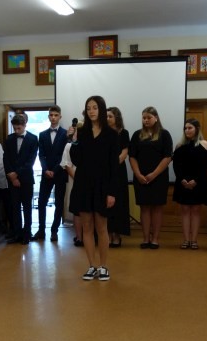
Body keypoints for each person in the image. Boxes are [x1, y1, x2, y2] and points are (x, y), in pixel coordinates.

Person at [69, 95, 119, 281]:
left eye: (95, 107)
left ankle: (104, 266)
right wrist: (74, 140)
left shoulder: (111, 134)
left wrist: (112, 192)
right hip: (84, 184)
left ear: (101, 110)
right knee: (87, 227)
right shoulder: (82, 133)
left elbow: (114, 165)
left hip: (103, 185)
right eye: (88, 108)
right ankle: (92, 266)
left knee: (101, 227)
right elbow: (76, 159)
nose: (91, 111)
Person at [129, 106, 173, 249]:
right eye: (144, 118)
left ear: (156, 118)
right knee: (144, 208)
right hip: (141, 177)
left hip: (158, 177)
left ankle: (155, 239)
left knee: (157, 208)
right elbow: (132, 156)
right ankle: (145, 238)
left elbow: (168, 157)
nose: (146, 120)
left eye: (149, 117)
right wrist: (138, 174)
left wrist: (153, 174)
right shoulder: (137, 135)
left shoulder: (164, 134)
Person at [172, 118, 207, 249]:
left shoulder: (204, 144)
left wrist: (196, 180)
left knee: (195, 211)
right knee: (184, 211)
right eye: (185, 128)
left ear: (197, 129)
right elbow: (176, 165)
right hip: (182, 182)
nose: (187, 130)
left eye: (190, 128)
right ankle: (186, 240)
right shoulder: (179, 146)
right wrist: (182, 179)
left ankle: (194, 240)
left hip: (198, 182)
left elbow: (205, 166)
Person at [33, 105, 68, 242]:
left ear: (60, 116)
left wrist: (54, 170)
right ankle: (41, 230)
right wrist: (45, 169)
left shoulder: (66, 134)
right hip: (46, 172)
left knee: (59, 203)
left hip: (60, 173)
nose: (53, 117)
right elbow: (41, 154)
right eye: (51, 115)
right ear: (48, 117)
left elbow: (65, 155)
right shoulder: (42, 134)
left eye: (56, 115)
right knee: (42, 201)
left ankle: (54, 230)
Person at [3, 114, 38, 244]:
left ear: (24, 125)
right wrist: (11, 175)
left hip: (26, 179)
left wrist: (16, 174)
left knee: (27, 207)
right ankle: (16, 233)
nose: (17, 131)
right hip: (12, 179)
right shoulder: (9, 139)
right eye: (15, 128)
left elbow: (30, 161)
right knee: (15, 207)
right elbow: (6, 159)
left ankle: (26, 234)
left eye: (19, 128)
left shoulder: (33, 139)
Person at [106, 106, 130, 248]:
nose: (108, 118)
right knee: (107, 204)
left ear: (117, 118)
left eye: (110, 116)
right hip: (105, 172)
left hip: (119, 171)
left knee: (119, 203)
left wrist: (113, 164)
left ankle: (117, 235)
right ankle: (108, 234)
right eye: (106, 116)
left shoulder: (124, 133)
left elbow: (124, 153)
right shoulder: (103, 132)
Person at [60, 136, 83, 247]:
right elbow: (67, 164)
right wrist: (79, 179)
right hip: (75, 180)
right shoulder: (70, 146)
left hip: (91, 182)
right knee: (77, 209)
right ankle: (79, 237)